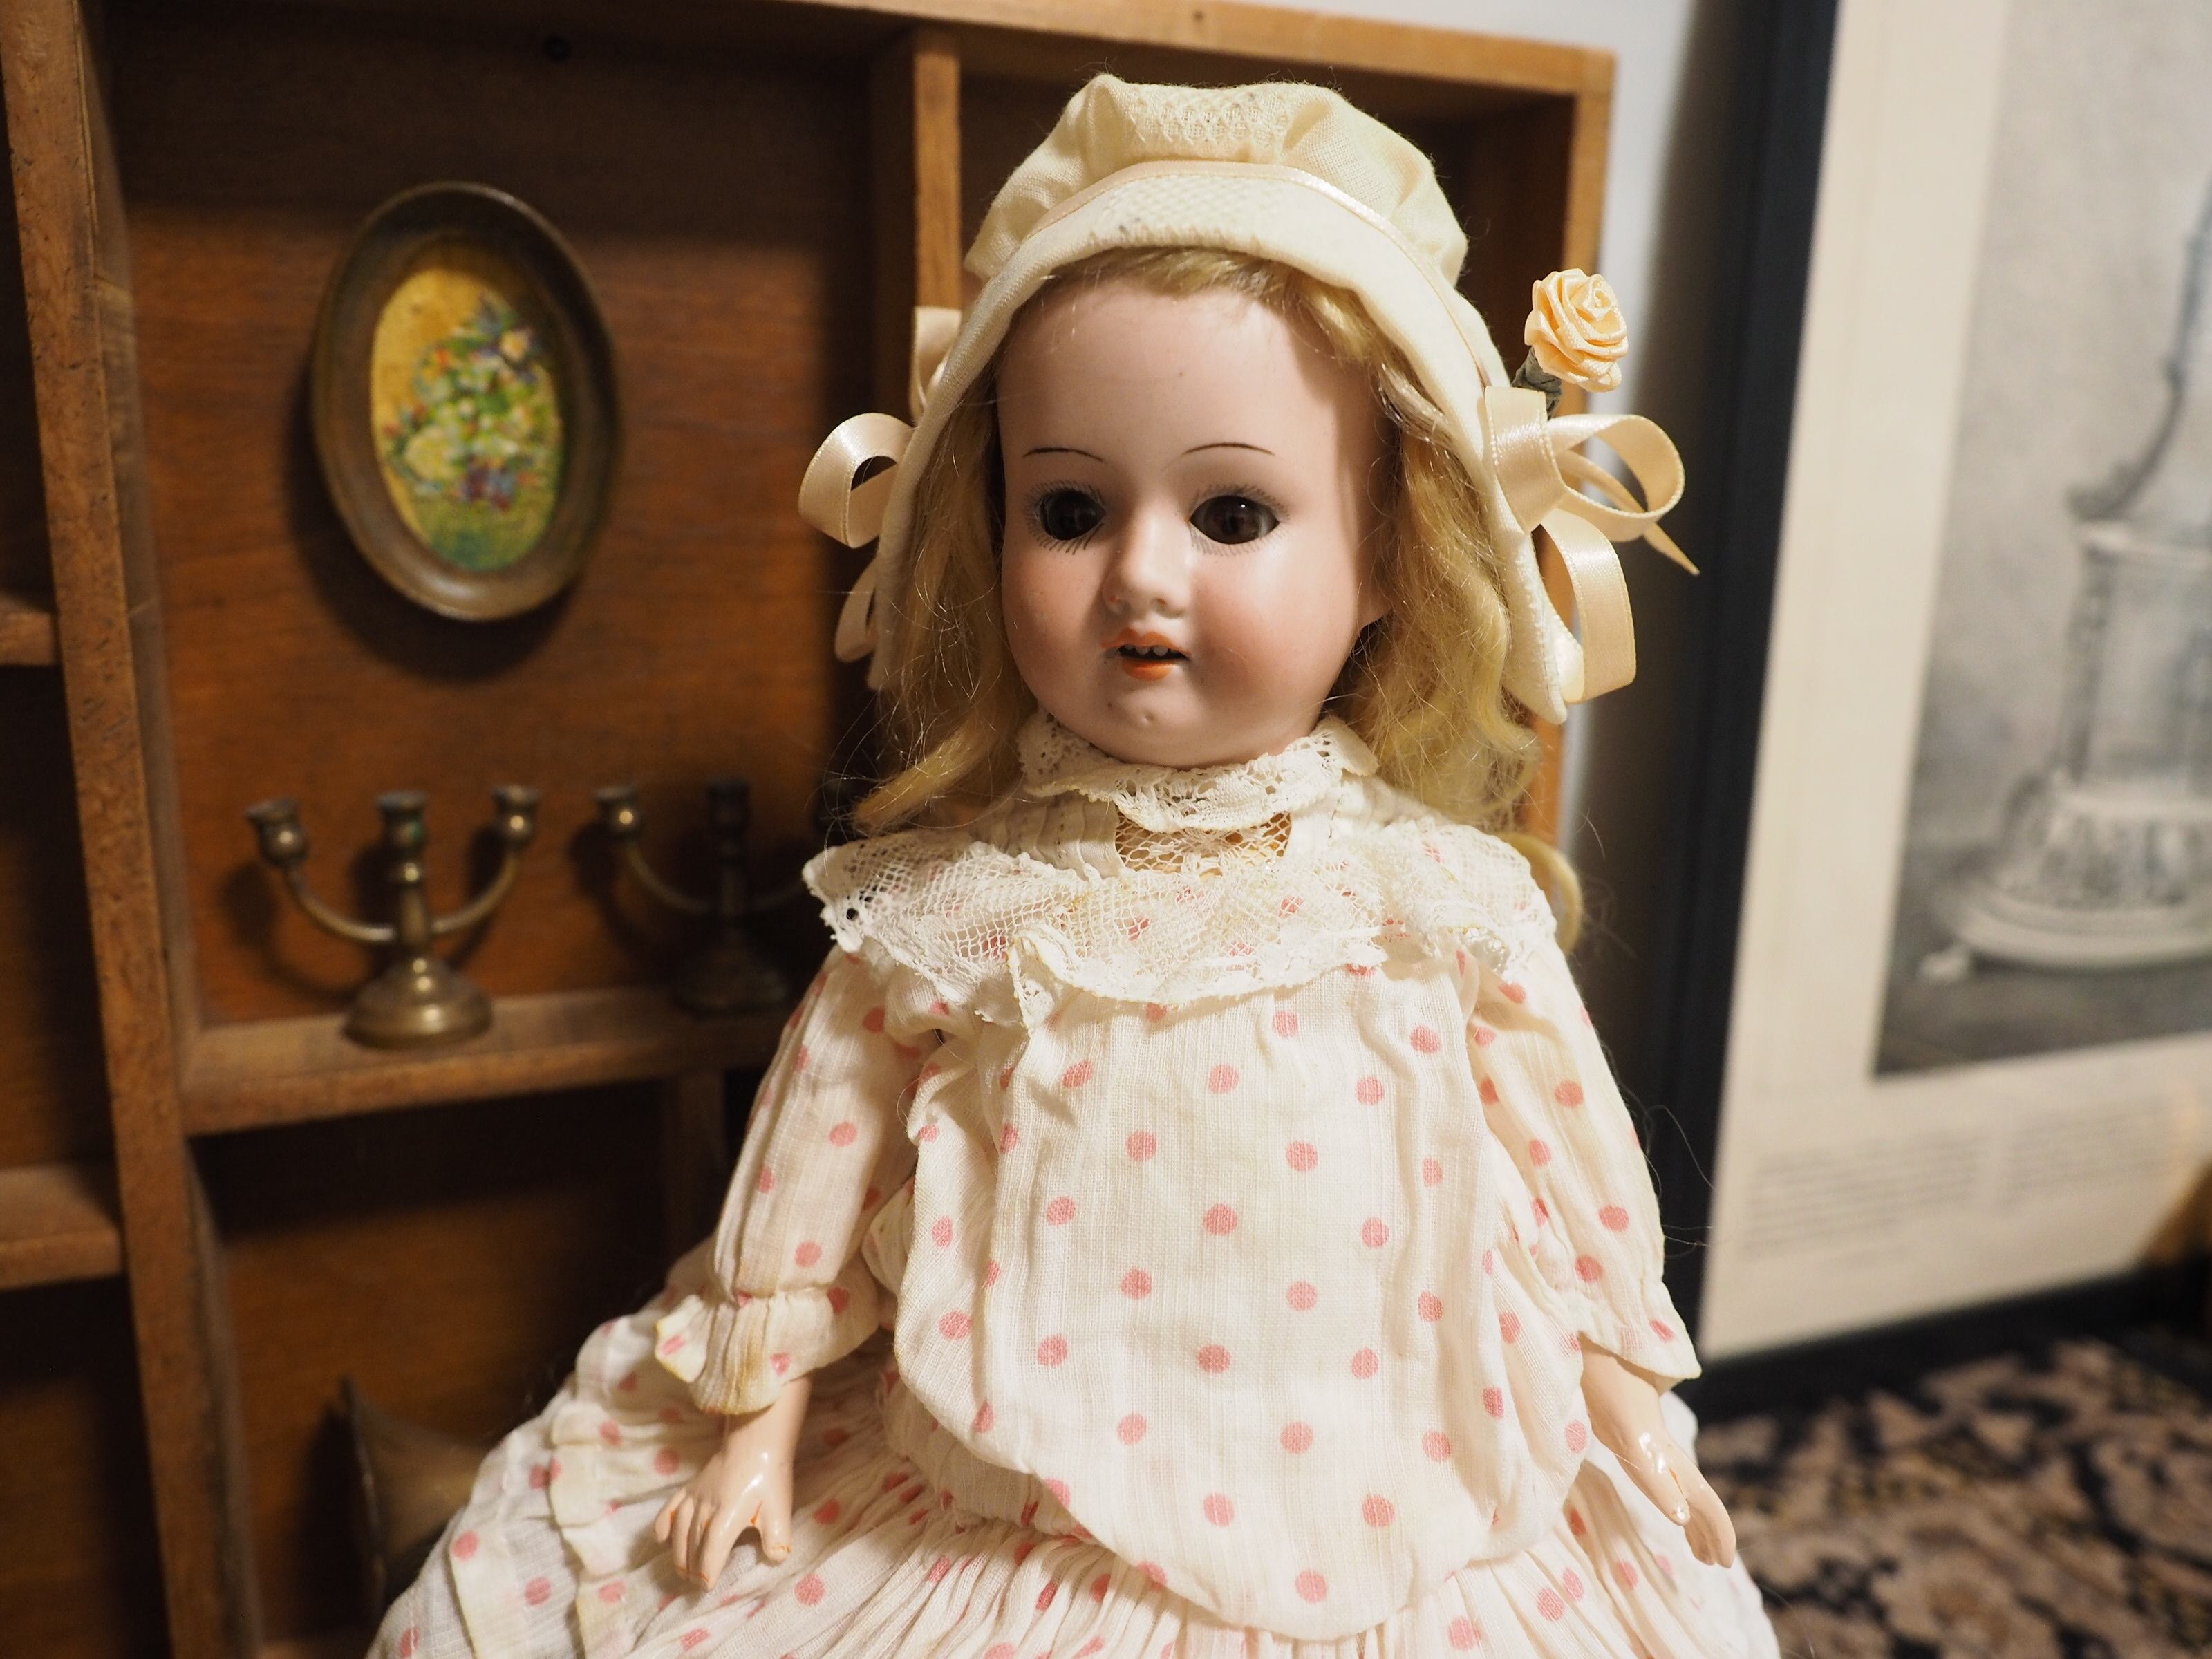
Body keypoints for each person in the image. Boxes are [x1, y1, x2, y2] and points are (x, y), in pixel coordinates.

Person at [373, 74, 1780, 1658]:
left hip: (1408, 1491)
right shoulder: (958, 911)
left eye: (1233, 510)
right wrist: (755, 1429)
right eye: (1069, 508)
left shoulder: (1434, 900)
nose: (1141, 576)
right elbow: (817, 1165)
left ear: (1389, 550)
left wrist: (1624, 1399)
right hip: (1007, 1507)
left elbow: (1560, 1164)